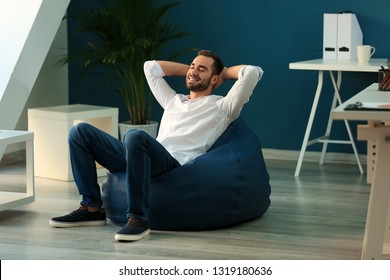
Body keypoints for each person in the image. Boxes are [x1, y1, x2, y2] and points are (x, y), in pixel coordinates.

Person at [50, 50, 264, 241]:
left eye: (202, 69)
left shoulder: (223, 106)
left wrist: (223, 73)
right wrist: (190, 72)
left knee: (135, 135)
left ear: (215, 78)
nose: (193, 71)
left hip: (171, 165)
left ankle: (137, 218)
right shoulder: (173, 100)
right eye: (192, 66)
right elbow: (150, 68)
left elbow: (252, 72)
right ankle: (92, 207)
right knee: (80, 132)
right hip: (141, 157)